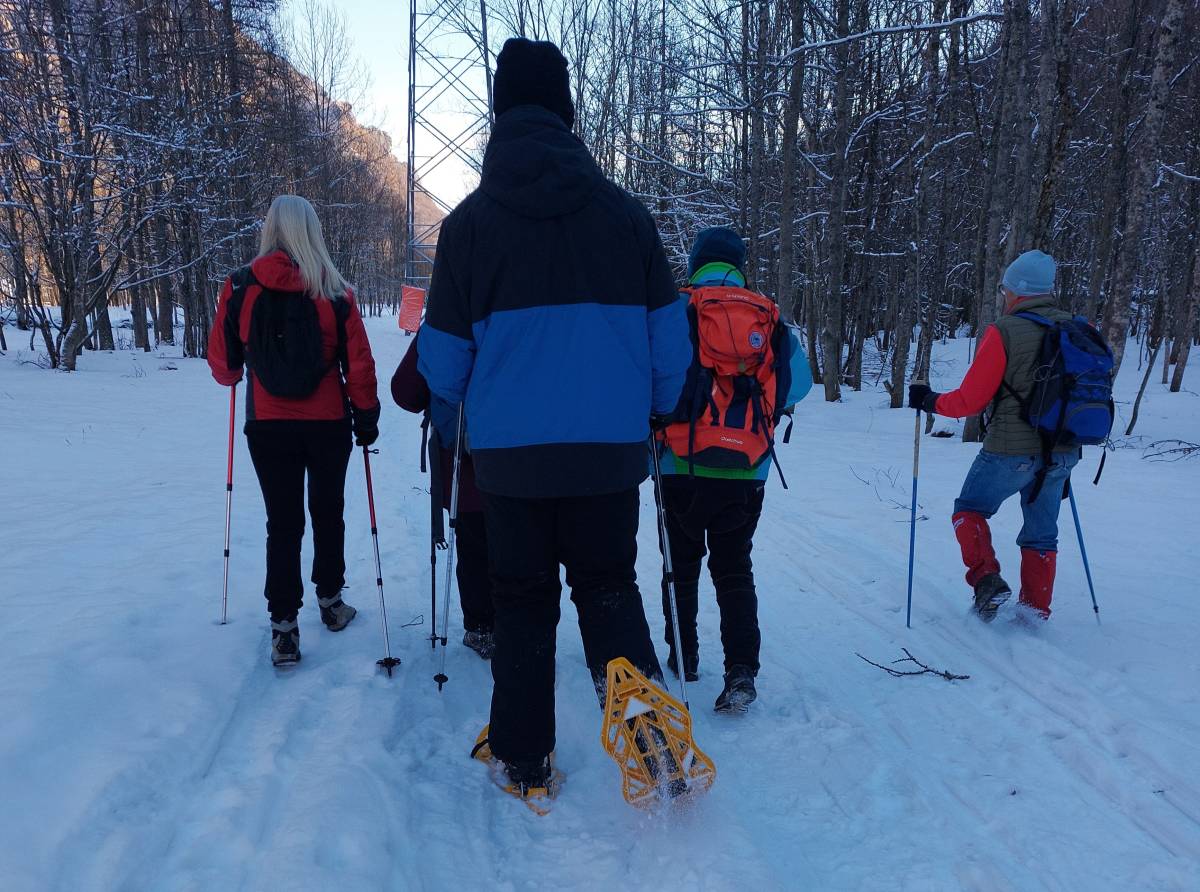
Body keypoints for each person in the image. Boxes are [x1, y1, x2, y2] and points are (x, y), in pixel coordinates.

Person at [416, 38, 692, 799]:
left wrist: (454, 416)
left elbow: (442, 363)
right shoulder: (627, 219)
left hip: (510, 463)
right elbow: (671, 346)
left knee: (523, 601)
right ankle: (655, 745)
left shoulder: (468, 228)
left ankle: (523, 756)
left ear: (500, 114)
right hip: (608, 457)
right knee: (609, 592)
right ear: (569, 115)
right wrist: (661, 410)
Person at [208, 195, 380, 665]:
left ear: (270, 229)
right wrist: (366, 417)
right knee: (328, 513)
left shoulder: (241, 287)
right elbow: (359, 367)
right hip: (327, 424)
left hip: (268, 424)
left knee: (281, 523)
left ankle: (284, 626)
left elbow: (224, 367)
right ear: (312, 231)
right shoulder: (334, 291)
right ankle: (330, 602)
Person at [655, 227, 813, 714]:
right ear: (739, 265)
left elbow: (653, 377)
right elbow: (800, 385)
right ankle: (741, 670)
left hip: (678, 463)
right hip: (747, 469)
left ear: (695, 262)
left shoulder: (676, 311)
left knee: (679, 568)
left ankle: (684, 660)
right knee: (734, 568)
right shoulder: (768, 320)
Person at [908, 249, 1077, 622]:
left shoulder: (1005, 331)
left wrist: (930, 401)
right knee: (1042, 535)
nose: (1004, 297)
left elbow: (970, 400)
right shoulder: (1079, 328)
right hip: (1063, 450)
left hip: (1010, 450)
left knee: (968, 510)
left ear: (1016, 291)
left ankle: (986, 580)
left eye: (1005, 290)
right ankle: (1035, 613)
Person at [391, 337, 495, 658]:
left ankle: (482, 628)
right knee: (523, 542)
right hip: (522, 456)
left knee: (475, 545)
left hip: (463, 465)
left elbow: (406, 392)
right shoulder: (521, 305)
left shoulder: (444, 319)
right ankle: (523, 622)